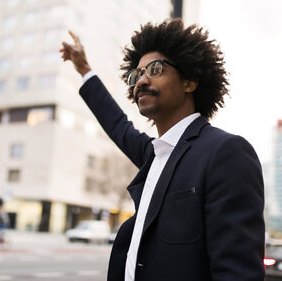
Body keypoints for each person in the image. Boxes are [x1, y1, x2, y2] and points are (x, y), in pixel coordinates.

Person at [60, 18, 265, 281]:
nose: (141, 81)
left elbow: (237, 274)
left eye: (155, 69)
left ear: (189, 82)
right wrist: (84, 69)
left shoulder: (226, 152)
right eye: (137, 75)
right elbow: (116, 124)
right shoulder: (154, 154)